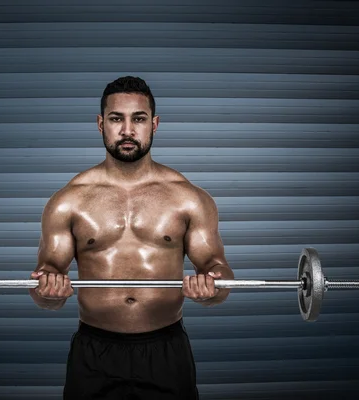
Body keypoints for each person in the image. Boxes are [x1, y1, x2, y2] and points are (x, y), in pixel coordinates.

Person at [28, 76, 235, 400]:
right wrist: (50, 290)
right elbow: (45, 282)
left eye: (138, 119)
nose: (127, 130)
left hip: (166, 350)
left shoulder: (189, 198)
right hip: (93, 352)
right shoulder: (69, 201)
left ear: (154, 124)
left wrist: (211, 287)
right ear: (100, 124)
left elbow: (218, 270)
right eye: (116, 119)